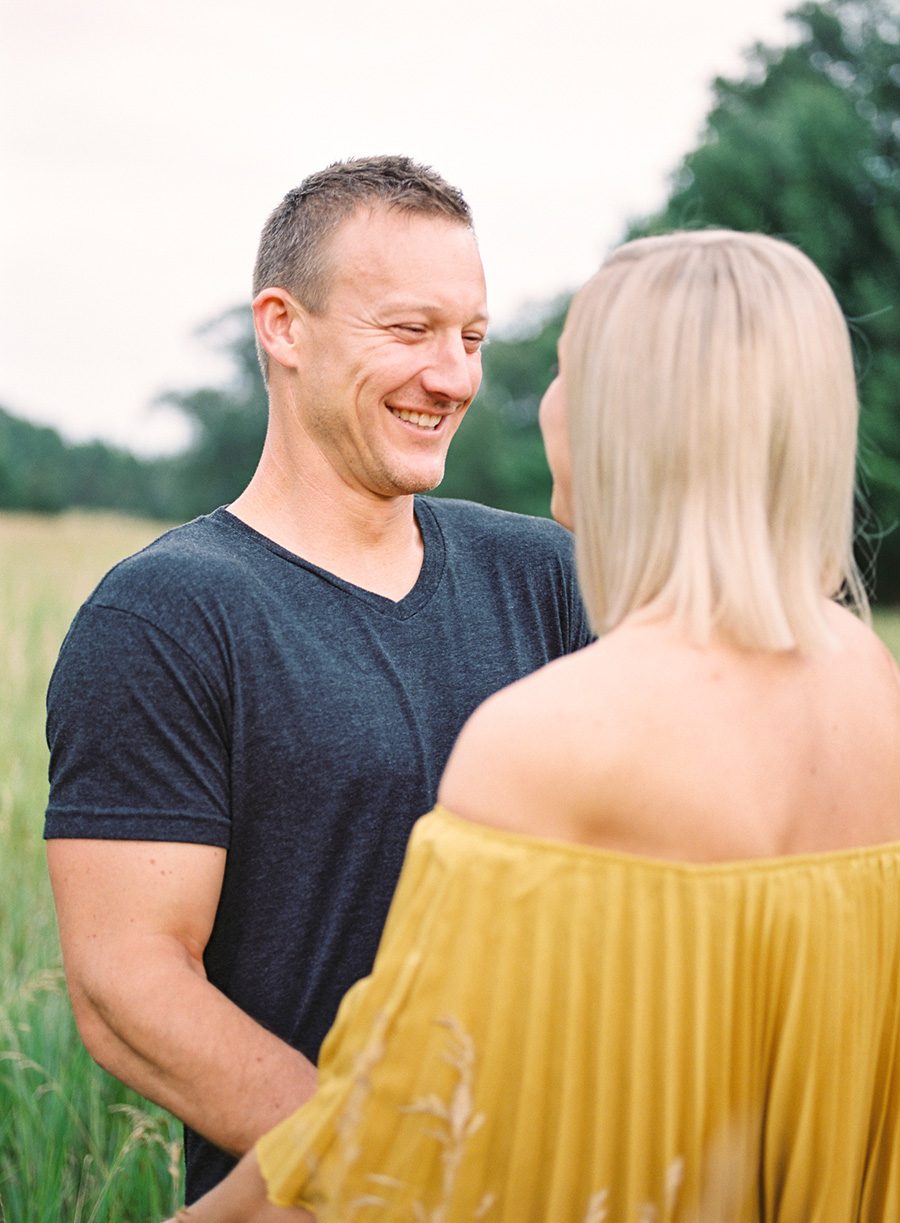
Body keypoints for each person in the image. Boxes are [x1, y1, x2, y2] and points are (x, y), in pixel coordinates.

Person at [172, 229, 900, 1222]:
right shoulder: (871, 683)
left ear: (623, 419)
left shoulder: (548, 738)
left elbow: (398, 1138)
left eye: (559, 369)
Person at [44, 155, 592, 1204]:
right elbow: (127, 983)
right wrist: (392, 1165)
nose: (454, 375)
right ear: (284, 327)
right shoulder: (165, 614)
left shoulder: (549, 578)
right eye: (409, 329)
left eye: (471, 338)